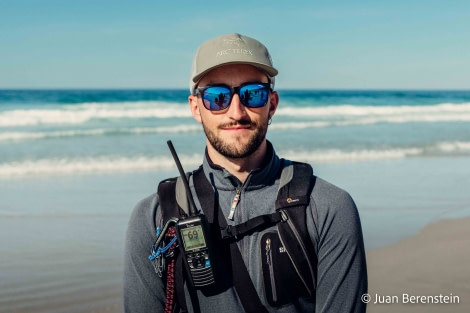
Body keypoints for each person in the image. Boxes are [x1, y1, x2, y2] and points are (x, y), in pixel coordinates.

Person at [123, 33, 368, 313]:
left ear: (271, 104)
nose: (236, 112)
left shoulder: (327, 208)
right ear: (196, 108)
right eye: (217, 97)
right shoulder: (155, 216)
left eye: (253, 94)